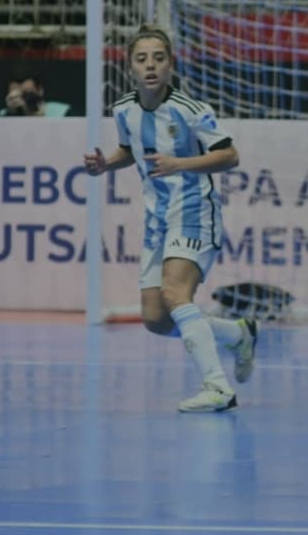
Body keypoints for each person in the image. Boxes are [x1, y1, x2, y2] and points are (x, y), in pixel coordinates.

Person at [82, 24, 258, 413]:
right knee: (157, 319)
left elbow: (230, 155)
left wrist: (181, 163)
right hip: (157, 221)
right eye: (142, 59)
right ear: (130, 66)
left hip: (194, 210)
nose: (150, 66)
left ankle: (218, 388)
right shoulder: (124, 109)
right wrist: (105, 164)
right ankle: (237, 334)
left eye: (158, 59)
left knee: (176, 294)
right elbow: (130, 150)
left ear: (170, 65)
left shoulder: (190, 109)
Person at [0, 71, 71, 117]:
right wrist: (10, 115)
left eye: (27, 93)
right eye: (17, 95)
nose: (22, 100)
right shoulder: (4, 115)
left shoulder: (62, 112)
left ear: (40, 90)